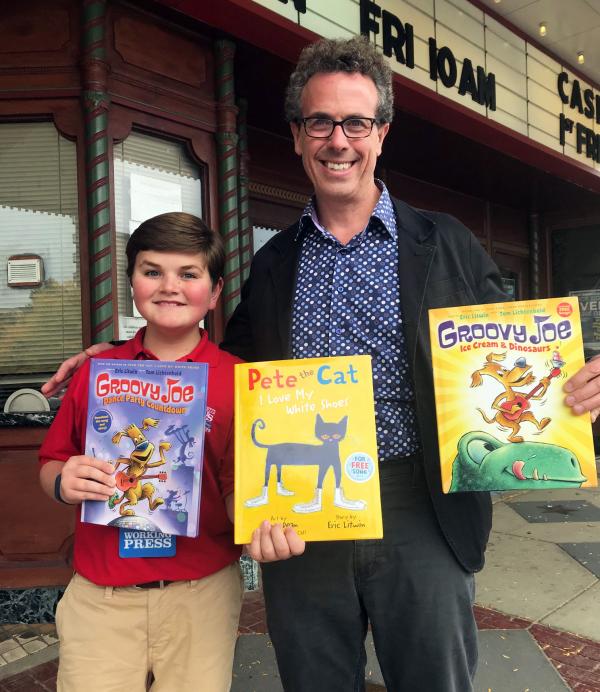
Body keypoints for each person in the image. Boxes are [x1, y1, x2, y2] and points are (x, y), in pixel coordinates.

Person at [43, 37, 600, 692]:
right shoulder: (275, 262)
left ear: (381, 133)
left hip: (420, 501)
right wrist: (118, 358)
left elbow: (516, 339)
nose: (340, 140)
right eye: (321, 122)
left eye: (356, 122)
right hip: (300, 505)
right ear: (301, 136)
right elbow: (220, 367)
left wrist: (577, 374)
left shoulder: (445, 241)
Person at [39, 213, 243, 692]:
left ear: (214, 293)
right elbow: (50, 464)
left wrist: (268, 521)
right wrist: (62, 482)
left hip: (202, 595)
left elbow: (239, 488)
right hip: (101, 598)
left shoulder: (238, 380)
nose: (169, 286)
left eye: (188, 274)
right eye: (152, 271)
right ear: (132, 283)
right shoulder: (96, 373)